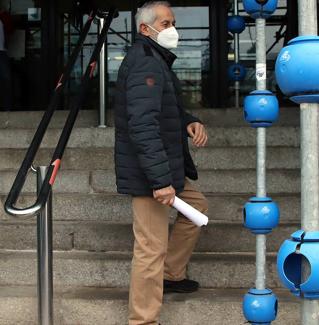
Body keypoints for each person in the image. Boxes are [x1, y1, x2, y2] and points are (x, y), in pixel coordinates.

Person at [113, 2, 209, 324]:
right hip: (149, 175)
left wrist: (188, 122)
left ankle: (171, 274)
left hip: (164, 168)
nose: (172, 29)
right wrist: (160, 181)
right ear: (145, 29)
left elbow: (163, 110)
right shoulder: (146, 64)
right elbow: (142, 125)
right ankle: (143, 320)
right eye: (165, 23)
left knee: (197, 209)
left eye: (173, 22)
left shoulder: (155, 60)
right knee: (151, 247)